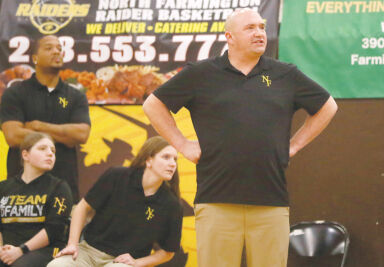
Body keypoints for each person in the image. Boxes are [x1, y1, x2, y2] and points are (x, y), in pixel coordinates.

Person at [142, 8, 338, 267]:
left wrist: (295, 145)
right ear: (229, 37)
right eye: (250, 28)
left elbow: (328, 106)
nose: (259, 33)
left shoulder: (285, 74)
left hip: (271, 203)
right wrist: (182, 144)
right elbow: (153, 105)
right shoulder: (201, 74)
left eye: (261, 27)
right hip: (215, 202)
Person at [47, 136, 183, 267]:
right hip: (88, 252)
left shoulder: (172, 204)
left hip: (123, 262)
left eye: (175, 159)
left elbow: (168, 252)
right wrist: (72, 244)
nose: (172, 163)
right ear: (149, 160)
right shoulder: (117, 176)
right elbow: (82, 208)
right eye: (166, 157)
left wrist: (137, 263)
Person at [0, 35, 91, 202]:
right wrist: (62, 135)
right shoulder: (15, 92)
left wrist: (38, 126)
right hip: (21, 189)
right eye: (49, 48)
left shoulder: (76, 95)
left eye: (59, 48)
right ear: (35, 58)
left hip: (64, 187)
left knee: (62, 227)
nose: (56, 51)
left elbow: (81, 134)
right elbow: (13, 136)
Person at [0, 132, 73, 267]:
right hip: (4, 248)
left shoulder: (59, 187)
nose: (50, 153)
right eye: (42, 149)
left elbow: (54, 230)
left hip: (44, 249)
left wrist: (21, 250)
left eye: (53, 150)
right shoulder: (2, 187)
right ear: (25, 155)